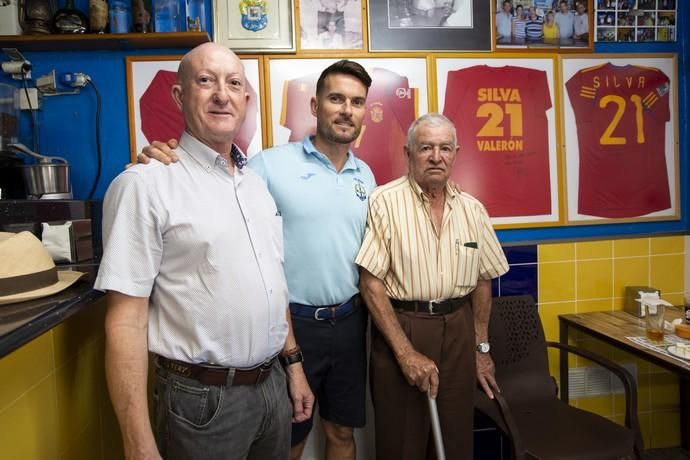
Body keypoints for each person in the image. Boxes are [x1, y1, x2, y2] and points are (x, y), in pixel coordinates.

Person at [137, 60, 376, 460]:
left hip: (351, 322)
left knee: (341, 432)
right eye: (336, 98)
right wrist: (165, 154)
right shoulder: (268, 165)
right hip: (290, 327)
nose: (346, 110)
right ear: (315, 106)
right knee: (289, 440)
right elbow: (217, 179)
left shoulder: (365, 175)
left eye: (356, 102)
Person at [96, 43, 313, 460]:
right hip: (202, 402)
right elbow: (125, 323)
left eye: (234, 83)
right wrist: (137, 444)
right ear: (179, 96)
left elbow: (273, 287)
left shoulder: (256, 187)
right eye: (205, 81)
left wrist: (294, 367)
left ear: (245, 100)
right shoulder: (145, 184)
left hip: (272, 388)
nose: (221, 94)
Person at [356, 113, 509, 460]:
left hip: (459, 328)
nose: (436, 157)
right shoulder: (385, 202)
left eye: (444, 148)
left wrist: (481, 348)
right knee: (402, 442)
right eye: (426, 148)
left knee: (454, 440)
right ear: (409, 153)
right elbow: (370, 283)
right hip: (404, 328)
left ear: (456, 153)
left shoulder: (473, 210)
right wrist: (406, 353)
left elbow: (483, 280)